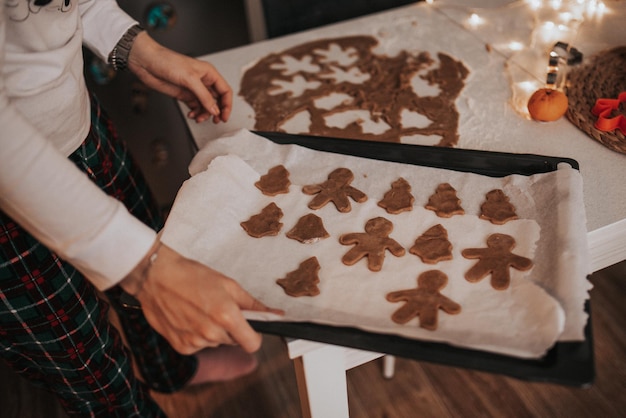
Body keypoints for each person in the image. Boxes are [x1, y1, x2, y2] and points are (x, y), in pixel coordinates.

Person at [0, 0, 282, 416]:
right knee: (84, 361)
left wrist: (141, 51)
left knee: (148, 230)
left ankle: (170, 367)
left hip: (75, 123)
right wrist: (145, 268)